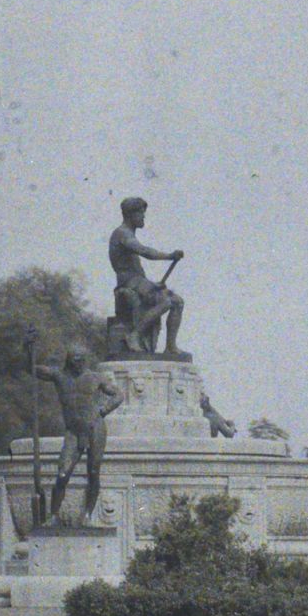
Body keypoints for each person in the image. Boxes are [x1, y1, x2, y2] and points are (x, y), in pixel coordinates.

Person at [26, 337, 125, 525]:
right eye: (75, 361)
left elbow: (118, 394)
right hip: (73, 430)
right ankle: (53, 515)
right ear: (69, 361)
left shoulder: (95, 377)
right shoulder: (60, 376)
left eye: (81, 360)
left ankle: (87, 514)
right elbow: (32, 369)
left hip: (94, 427)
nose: (79, 364)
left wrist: (104, 410)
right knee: (63, 473)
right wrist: (28, 351)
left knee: (93, 471)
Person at [109, 196, 185, 355]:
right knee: (166, 301)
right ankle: (134, 335)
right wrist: (169, 256)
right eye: (141, 213)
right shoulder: (122, 234)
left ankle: (170, 346)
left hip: (139, 281)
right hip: (129, 282)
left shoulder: (128, 233)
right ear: (131, 214)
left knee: (178, 301)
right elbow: (145, 252)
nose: (144, 217)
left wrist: (152, 285)